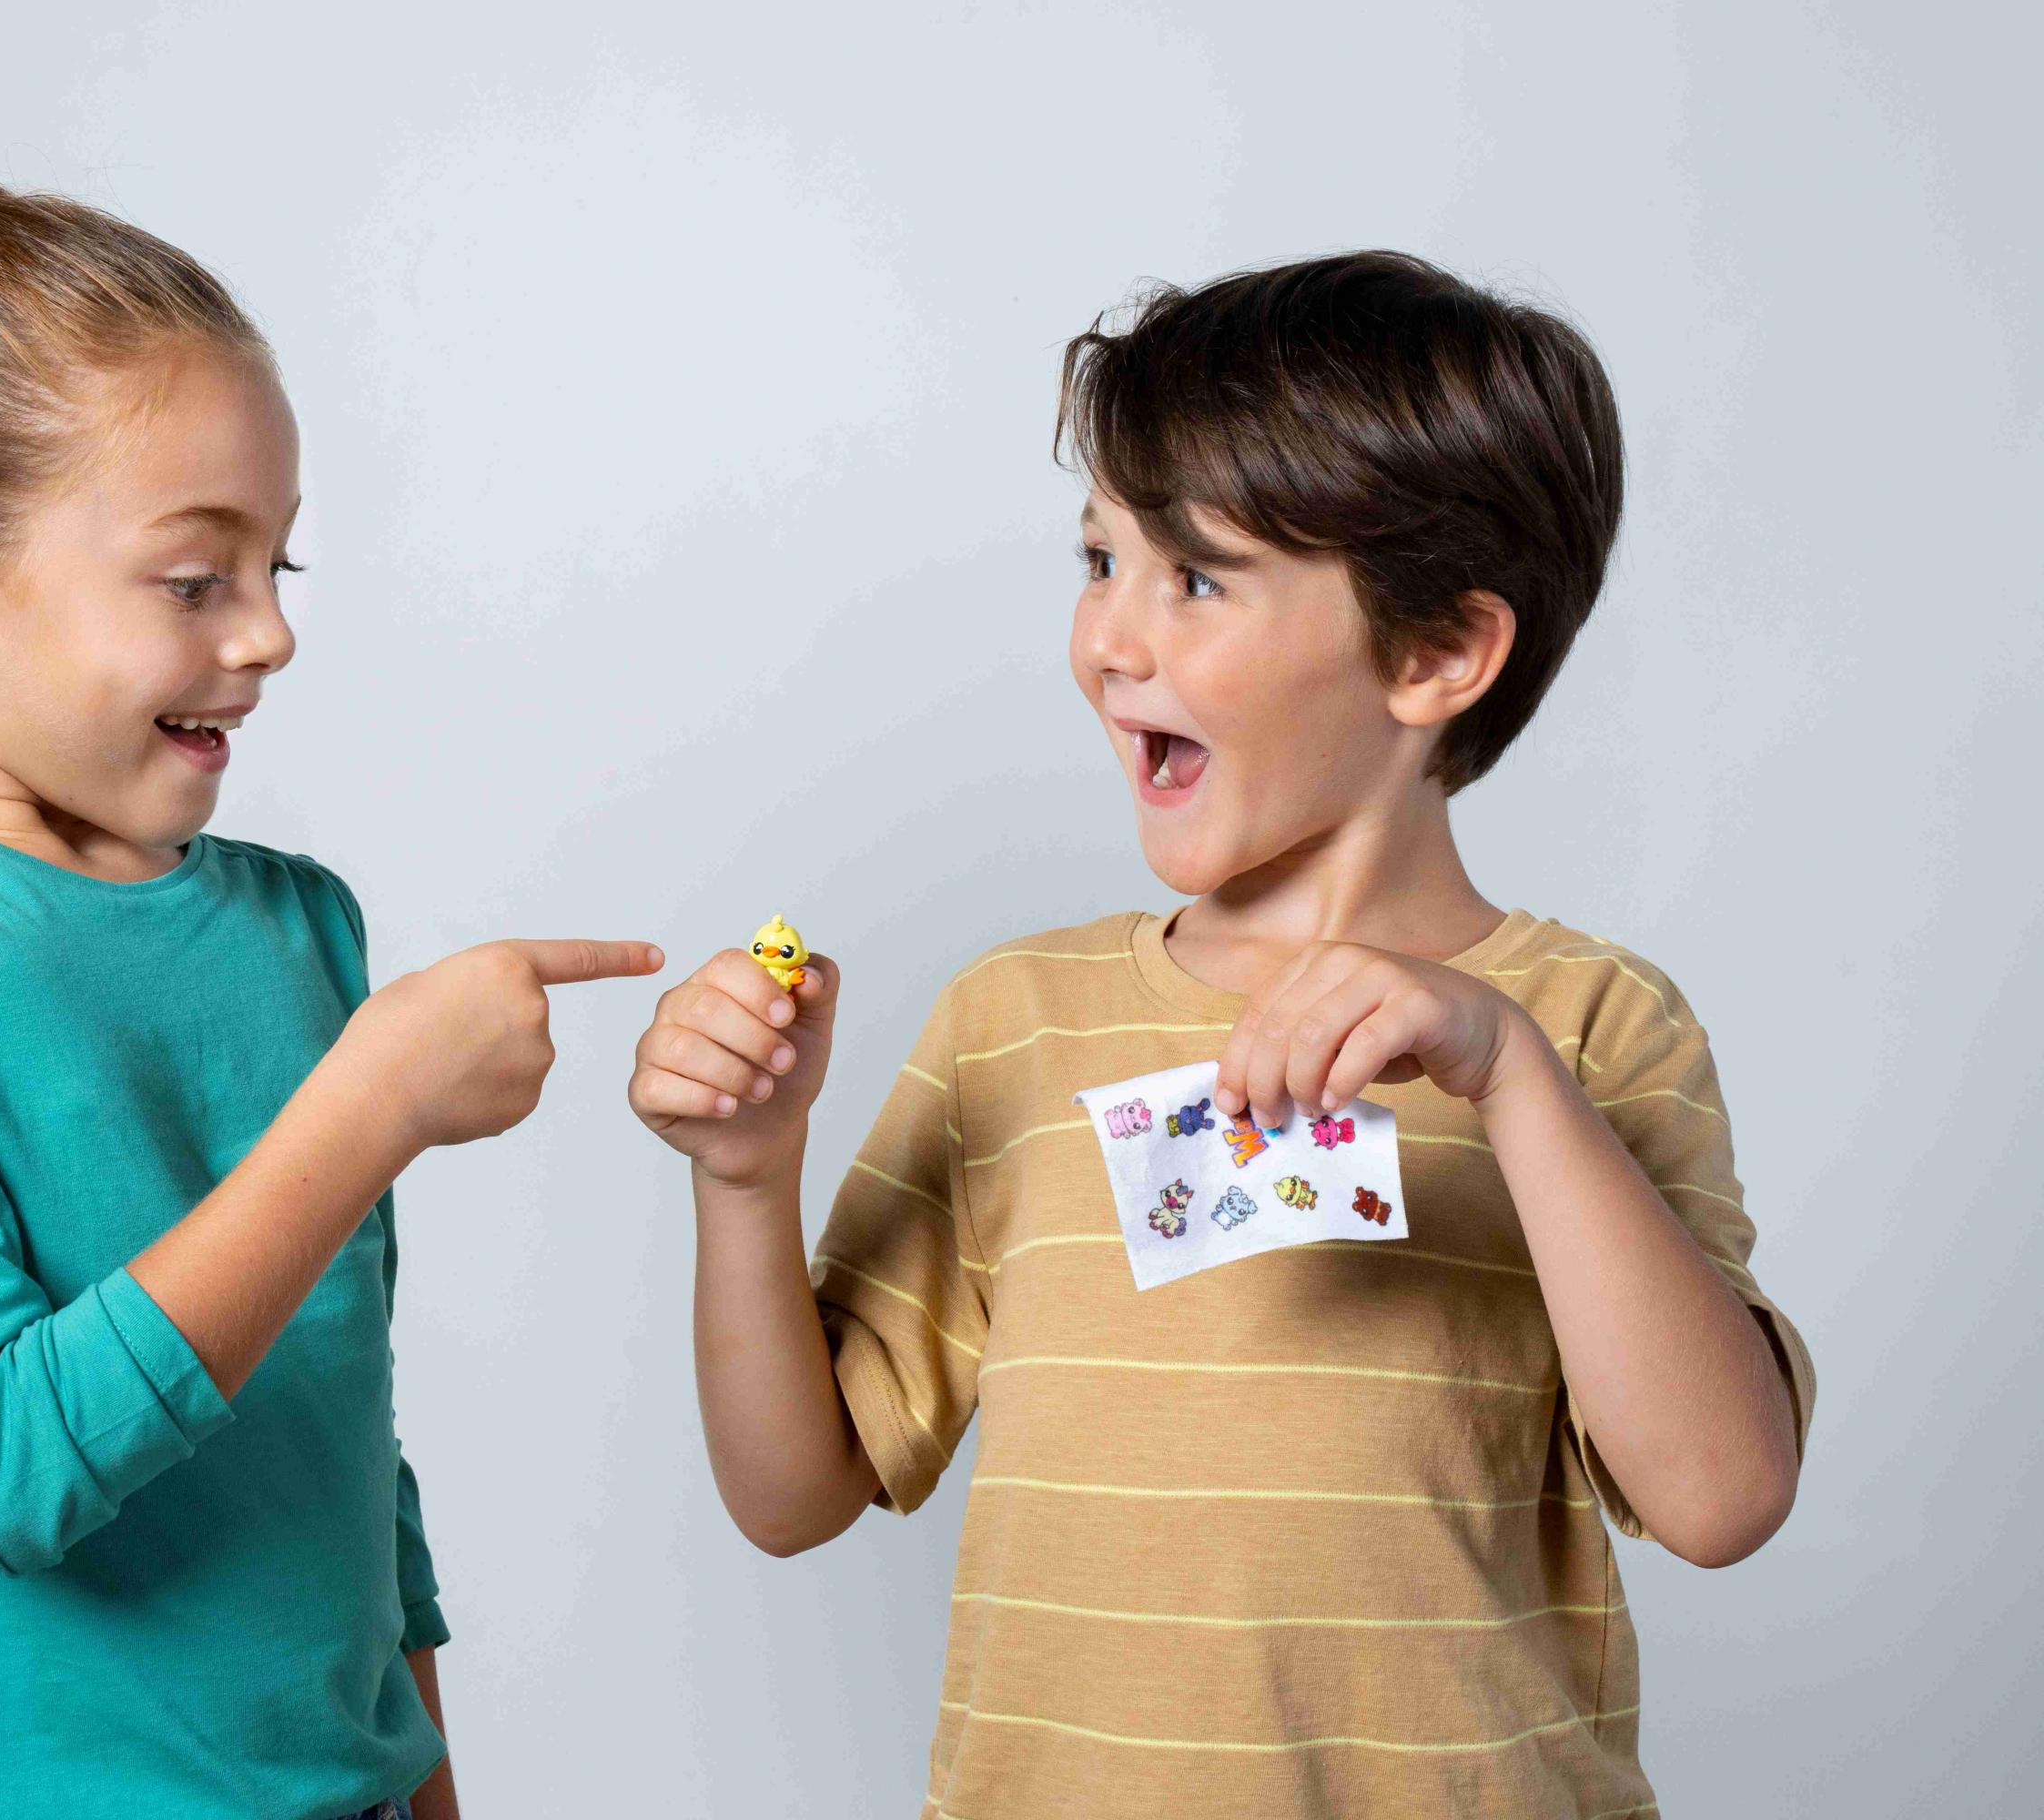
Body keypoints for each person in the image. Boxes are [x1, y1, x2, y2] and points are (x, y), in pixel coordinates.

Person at [629, 251, 1814, 1817]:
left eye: (1194, 578)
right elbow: (793, 1497)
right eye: (1098, 559)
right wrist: (742, 1182)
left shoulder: (1589, 1030)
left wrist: (1510, 1077)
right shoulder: (1012, 1024)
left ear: (1435, 654)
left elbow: (1723, 1498)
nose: (1110, 640)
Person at [0, 134, 660, 1820]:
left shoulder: (297, 929)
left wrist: (426, 1784)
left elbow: (341, 1450)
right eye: (198, 578)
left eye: (281, 568)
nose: (268, 632)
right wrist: (370, 1105)